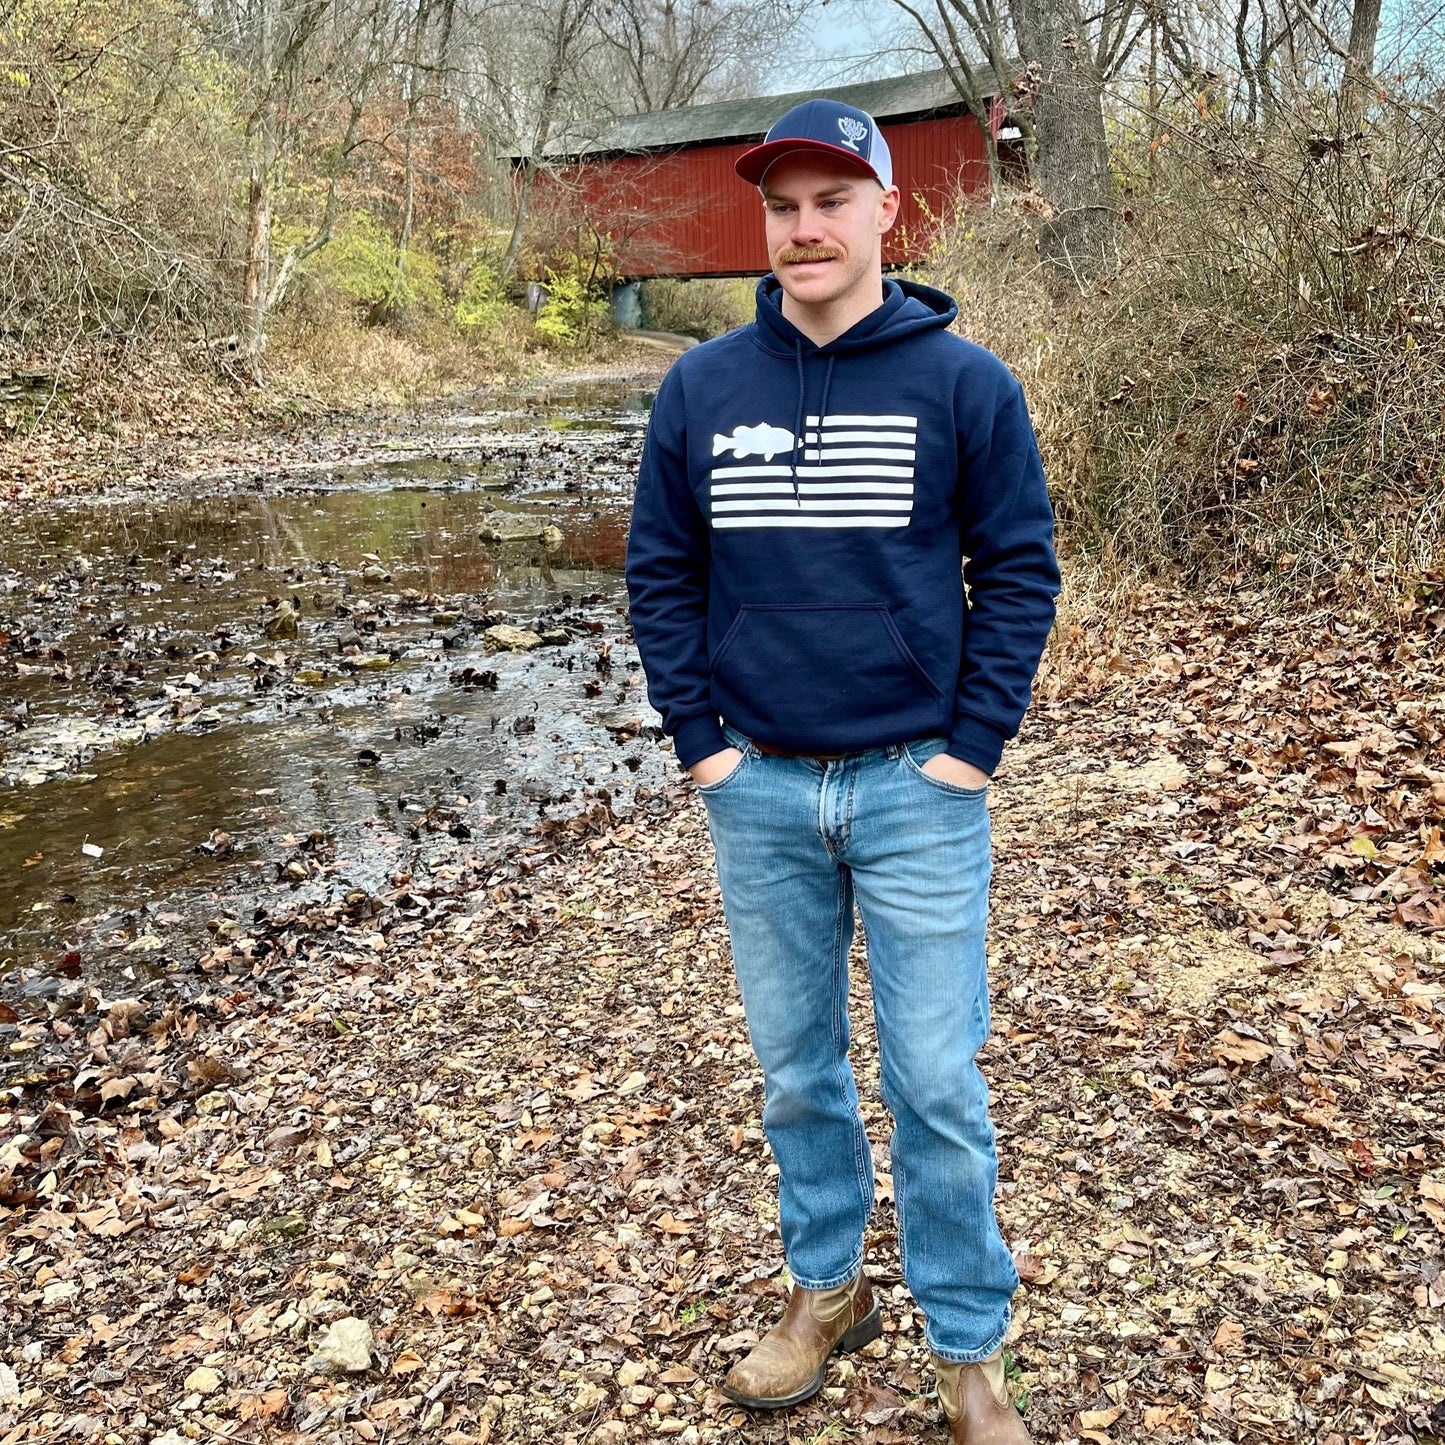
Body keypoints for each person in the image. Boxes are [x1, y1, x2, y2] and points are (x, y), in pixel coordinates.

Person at [624, 97, 1059, 1445]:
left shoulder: (964, 384)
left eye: (829, 200)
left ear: (885, 210)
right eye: (781, 206)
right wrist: (699, 741)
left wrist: (970, 749)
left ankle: (969, 1346)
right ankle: (825, 1289)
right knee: (796, 1071)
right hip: (756, 789)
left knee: (934, 1076)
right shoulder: (702, 387)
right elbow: (660, 573)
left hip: (910, 788)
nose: (802, 228)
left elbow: (1019, 572)